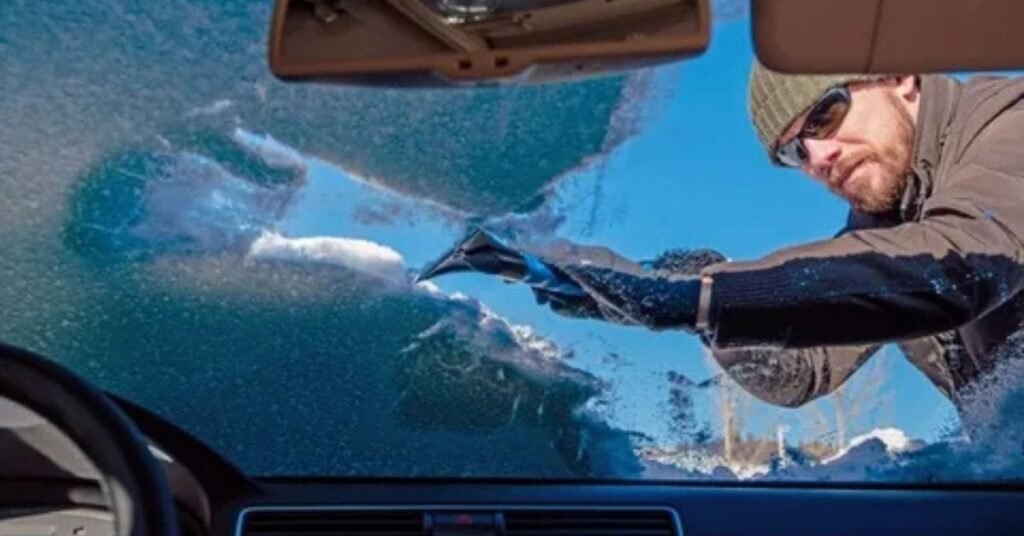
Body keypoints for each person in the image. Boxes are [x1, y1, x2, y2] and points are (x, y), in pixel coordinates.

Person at [422, 62, 1024, 409]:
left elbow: (960, 265)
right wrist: (680, 296)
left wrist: (709, 295)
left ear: (900, 77)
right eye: (794, 150)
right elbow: (802, 371)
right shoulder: (888, 220)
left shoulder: (1010, 123)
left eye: (825, 114)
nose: (817, 155)